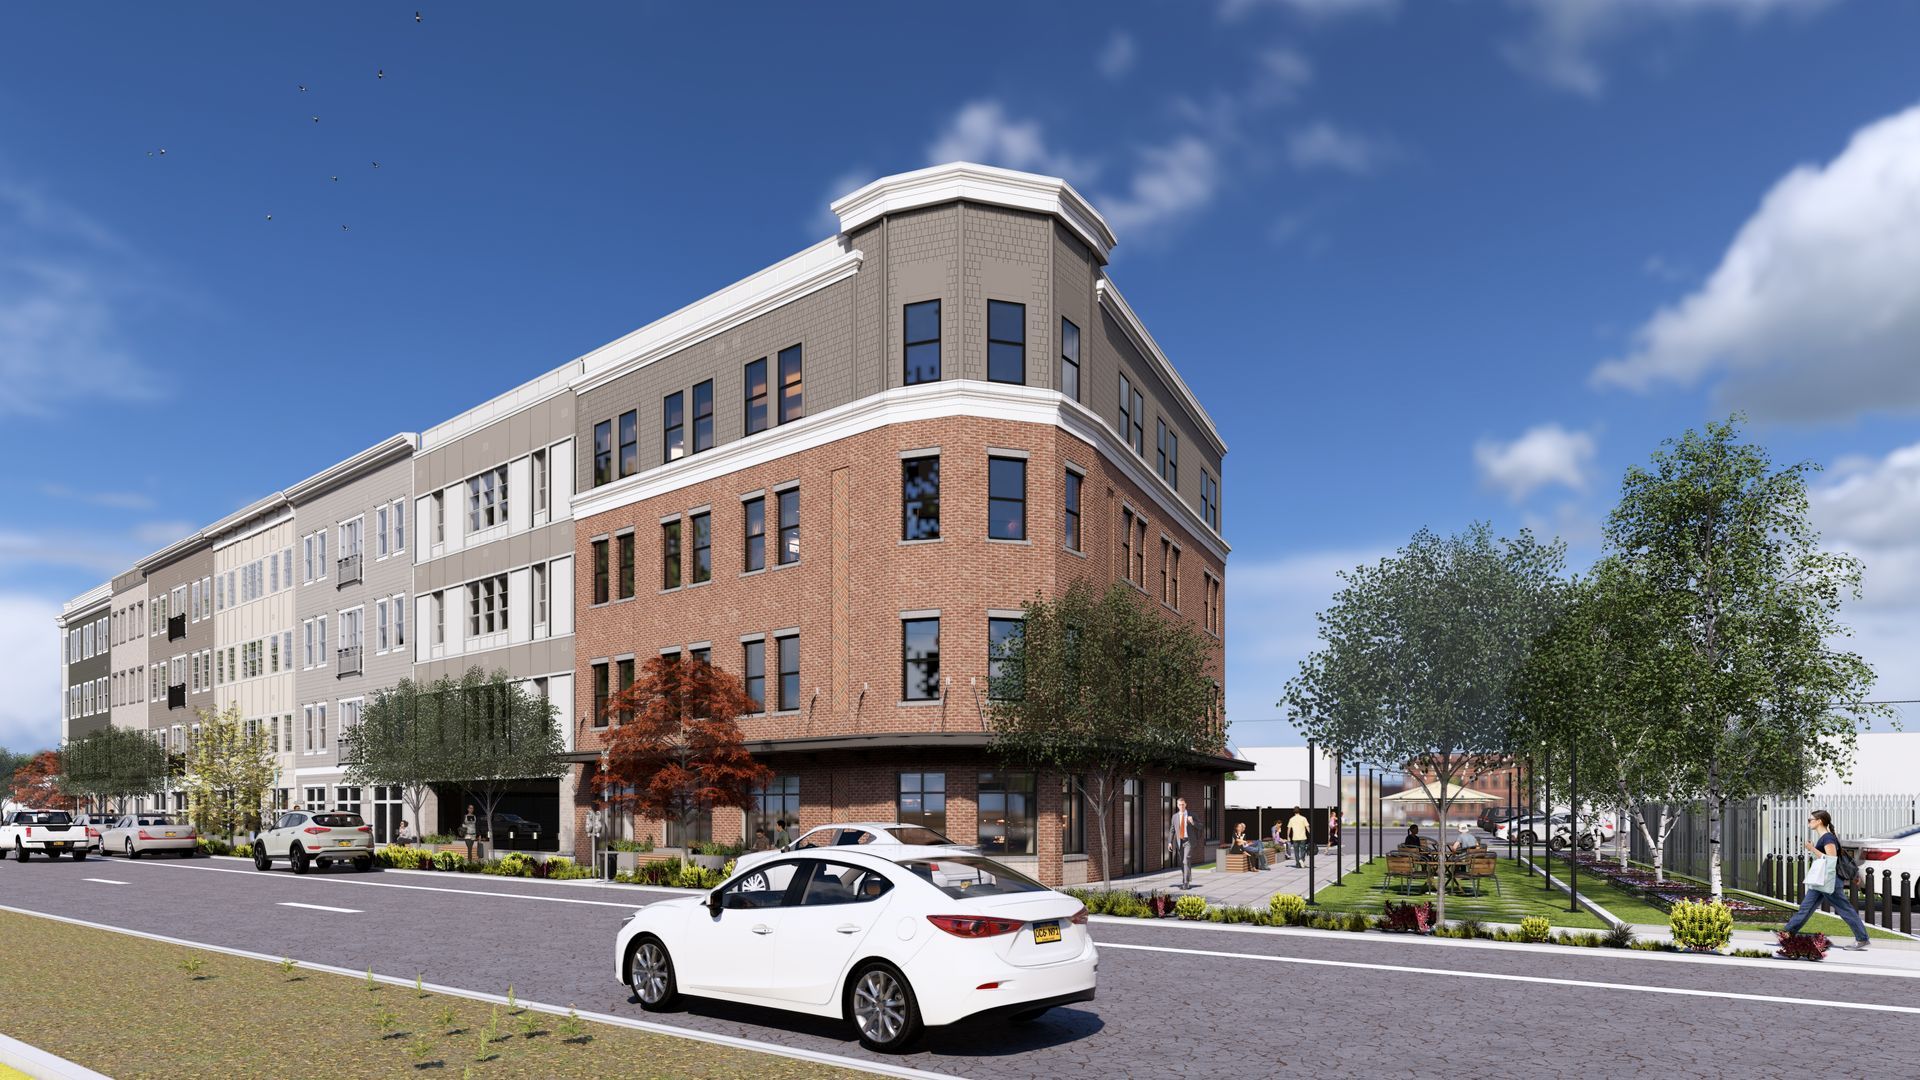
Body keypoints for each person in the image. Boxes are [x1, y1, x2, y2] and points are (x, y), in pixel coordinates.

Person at [1782, 809, 1870, 951]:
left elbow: (1831, 860)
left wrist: (1811, 848)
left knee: (1844, 909)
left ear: (1819, 821)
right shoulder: (1825, 837)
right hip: (1821, 880)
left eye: (1810, 820)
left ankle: (1862, 938)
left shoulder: (1828, 838)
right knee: (1806, 907)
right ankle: (1788, 933)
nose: (1808, 822)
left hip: (1830, 880)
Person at [1168, 797, 1197, 889]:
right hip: (1179, 842)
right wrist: (1170, 842)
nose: (1181, 806)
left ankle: (1186, 882)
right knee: (1183, 862)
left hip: (1188, 841)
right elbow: (1172, 830)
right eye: (1180, 805)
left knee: (1186, 860)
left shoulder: (1191, 815)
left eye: (1183, 804)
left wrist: (1193, 822)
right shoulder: (1175, 816)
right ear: (1177, 805)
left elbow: (1201, 826)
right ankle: (1186, 878)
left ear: (1186, 804)